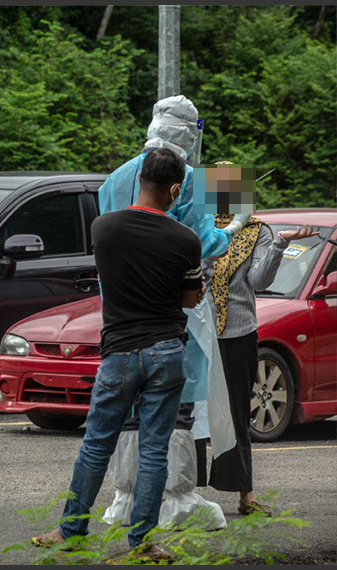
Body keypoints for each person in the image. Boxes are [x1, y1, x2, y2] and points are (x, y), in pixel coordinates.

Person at [34, 148, 204, 560]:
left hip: (119, 351)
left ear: (139, 178)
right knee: (154, 450)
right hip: (166, 351)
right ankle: (142, 542)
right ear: (176, 189)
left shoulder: (103, 227)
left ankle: (71, 529)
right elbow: (189, 298)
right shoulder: (187, 240)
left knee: (96, 444)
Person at [98, 95, 236, 531]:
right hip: (175, 313)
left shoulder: (115, 179)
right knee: (175, 406)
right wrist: (231, 230)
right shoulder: (188, 179)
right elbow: (201, 241)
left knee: (128, 408)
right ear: (190, 134)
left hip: (120, 311)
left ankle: (125, 497)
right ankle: (176, 498)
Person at [207, 211, 318, 515]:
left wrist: (280, 244)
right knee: (190, 414)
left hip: (238, 333)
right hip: (201, 331)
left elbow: (258, 280)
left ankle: (246, 494)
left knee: (237, 413)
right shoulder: (200, 226)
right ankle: (180, 494)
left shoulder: (257, 231)